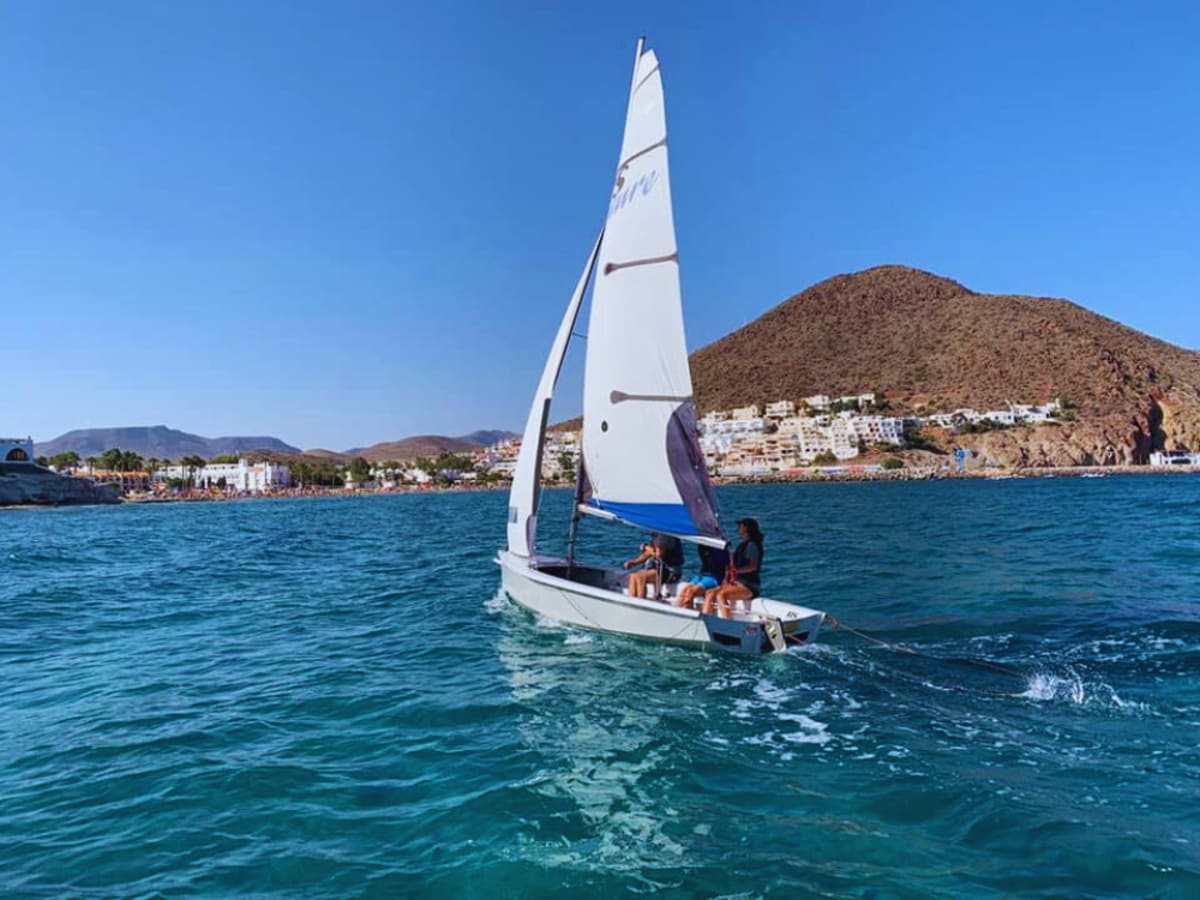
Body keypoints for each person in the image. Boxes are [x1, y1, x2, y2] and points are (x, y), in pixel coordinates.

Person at [701, 518, 764, 618]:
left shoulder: (752, 545)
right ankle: (705, 619)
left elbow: (753, 566)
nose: (739, 528)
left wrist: (736, 570)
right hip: (737, 583)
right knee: (710, 592)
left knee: (722, 595)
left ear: (747, 528)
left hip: (749, 586)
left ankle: (727, 622)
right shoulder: (743, 545)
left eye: (741, 526)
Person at [623, 533, 683, 600]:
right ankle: (632, 600)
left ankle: (640, 602)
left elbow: (658, 554)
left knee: (640, 577)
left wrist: (645, 547)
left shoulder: (665, 535)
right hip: (657, 569)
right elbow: (649, 553)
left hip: (670, 572)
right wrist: (634, 562)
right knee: (633, 576)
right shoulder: (656, 535)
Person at [674, 543, 730, 608]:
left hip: (714, 577)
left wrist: (725, 582)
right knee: (685, 590)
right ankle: (678, 609)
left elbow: (726, 566)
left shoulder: (718, 549)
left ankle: (688, 611)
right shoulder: (702, 547)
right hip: (703, 575)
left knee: (691, 591)